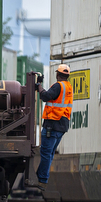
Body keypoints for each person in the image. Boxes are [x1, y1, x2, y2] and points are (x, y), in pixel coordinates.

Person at [31, 64, 73, 195]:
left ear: (57, 74)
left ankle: (42, 179)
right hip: (62, 125)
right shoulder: (68, 87)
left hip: (52, 124)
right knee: (49, 153)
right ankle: (41, 176)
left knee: (45, 152)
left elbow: (45, 97)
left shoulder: (58, 86)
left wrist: (39, 87)